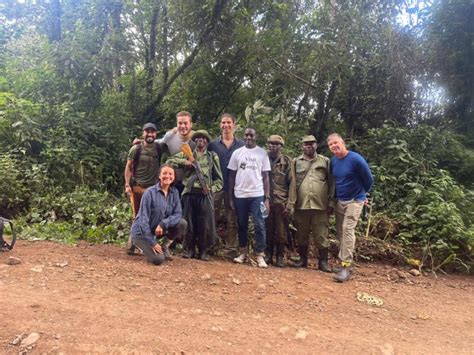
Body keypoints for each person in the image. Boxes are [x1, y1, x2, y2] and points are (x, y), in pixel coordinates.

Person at [167, 130, 223, 260]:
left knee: (205, 224)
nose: (200, 141)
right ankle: (189, 250)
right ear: (194, 141)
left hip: (204, 194)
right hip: (189, 193)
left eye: (203, 139)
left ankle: (203, 251)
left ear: (207, 142)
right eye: (197, 138)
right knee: (188, 222)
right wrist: (185, 162)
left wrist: (210, 188)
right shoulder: (188, 154)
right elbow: (171, 160)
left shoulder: (212, 156)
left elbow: (220, 181)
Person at [327, 133, 373, 282]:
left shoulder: (355, 159)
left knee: (347, 230)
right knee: (341, 232)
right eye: (330, 145)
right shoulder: (334, 161)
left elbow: (368, 179)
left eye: (336, 143)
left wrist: (362, 195)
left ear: (343, 142)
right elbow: (335, 180)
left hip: (355, 200)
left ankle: (346, 267)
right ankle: (344, 263)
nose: (334, 146)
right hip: (340, 201)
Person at [288, 135, 334, 272]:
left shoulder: (325, 161)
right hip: (301, 205)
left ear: (316, 145)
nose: (309, 146)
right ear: (302, 146)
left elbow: (332, 183)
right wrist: (291, 204)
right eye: (306, 144)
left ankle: (323, 262)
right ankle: (303, 260)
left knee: (321, 235)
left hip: (320, 205)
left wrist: (331, 201)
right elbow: (292, 184)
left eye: (311, 144)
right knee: (301, 234)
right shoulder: (296, 162)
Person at [228, 127, 271, 268]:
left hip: (257, 194)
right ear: (243, 136)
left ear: (255, 136)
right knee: (242, 225)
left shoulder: (262, 153)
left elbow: (265, 177)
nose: (248, 137)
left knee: (259, 224)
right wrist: (230, 197)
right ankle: (243, 253)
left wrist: (267, 198)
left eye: (251, 135)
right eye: (246, 135)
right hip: (240, 194)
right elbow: (232, 176)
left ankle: (259, 255)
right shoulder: (237, 153)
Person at [129, 164, 187, 265]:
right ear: (159, 176)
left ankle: (164, 247)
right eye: (164, 173)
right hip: (142, 233)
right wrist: (152, 243)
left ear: (174, 177)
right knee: (158, 259)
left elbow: (178, 214)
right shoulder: (149, 193)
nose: (167, 176)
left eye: (170, 174)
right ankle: (137, 243)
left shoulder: (174, 192)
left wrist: (163, 224)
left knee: (182, 223)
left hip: (157, 229)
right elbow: (143, 221)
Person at [208, 113, 244, 257]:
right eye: (223, 122)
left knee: (232, 219)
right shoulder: (213, 144)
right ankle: (210, 246)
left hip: (234, 188)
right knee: (211, 217)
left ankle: (231, 249)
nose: (226, 125)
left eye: (229, 122)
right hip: (216, 186)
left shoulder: (241, 145)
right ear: (220, 125)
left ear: (234, 125)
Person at [265, 135, 294, 267]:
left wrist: (290, 204)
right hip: (266, 200)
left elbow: (292, 183)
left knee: (281, 231)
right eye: (271, 144)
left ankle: (280, 256)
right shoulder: (262, 158)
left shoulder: (287, 162)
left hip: (281, 201)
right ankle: (268, 254)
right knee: (267, 229)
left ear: (281, 146)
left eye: (276, 144)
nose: (273, 146)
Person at [124, 123, 163, 217]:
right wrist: (127, 185)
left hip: (153, 188)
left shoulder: (159, 147)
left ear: (156, 134)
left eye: (152, 132)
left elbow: (170, 139)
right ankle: (135, 232)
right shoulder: (136, 149)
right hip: (137, 187)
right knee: (137, 216)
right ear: (143, 133)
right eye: (147, 131)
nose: (150, 134)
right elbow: (129, 167)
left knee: (152, 216)